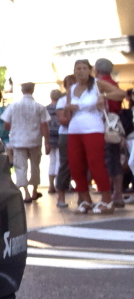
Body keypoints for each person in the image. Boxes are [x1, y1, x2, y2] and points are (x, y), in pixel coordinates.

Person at [59, 59, 125, 213]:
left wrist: (105, 96)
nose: (81, 71)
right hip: (74, 129)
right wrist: (68, 108)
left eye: (83, 68)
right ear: (74, 71)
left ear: (89, 70)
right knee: (75, 165)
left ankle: (106, 200)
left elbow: (121, 93)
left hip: (93, 128)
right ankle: (85, 199)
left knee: (96, 163)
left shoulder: (97, 84)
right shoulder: (72, 88)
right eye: (78, 68)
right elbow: (67, 114)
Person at [2, 82, 50, 202]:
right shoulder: (39, 107)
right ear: (33, 90)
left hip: (18, 140)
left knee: (20, 167)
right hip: (35, 140)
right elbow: (44, 125)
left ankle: (26, 193)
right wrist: (47, 142)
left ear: (22, 91)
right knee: (35, 166)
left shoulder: (13, 106)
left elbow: (6, 125)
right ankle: (34, 191)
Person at [94, 58, 128, 209]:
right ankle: (118, 194)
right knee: (115, 159)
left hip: (103, 124)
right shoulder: (114, 84)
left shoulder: (99, 85)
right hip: (115, 124)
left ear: (96, 70)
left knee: (105, 160)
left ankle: (107, 194)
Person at [54, 75, 76, 207]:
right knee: (65, 164)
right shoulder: (62, 101)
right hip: (66, 135)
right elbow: (63, 120)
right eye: (70, 84)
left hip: (82, 133)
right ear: (65, 86)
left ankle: (83, 197)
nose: (72, 86)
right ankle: (61, 195)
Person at [46, 88, 62, 193]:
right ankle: (59, 185)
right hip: (61, 135)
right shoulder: (62, 107)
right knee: (60, 160)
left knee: (52, 161)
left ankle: (51, 185)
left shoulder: (46, 108)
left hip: (50, 136)